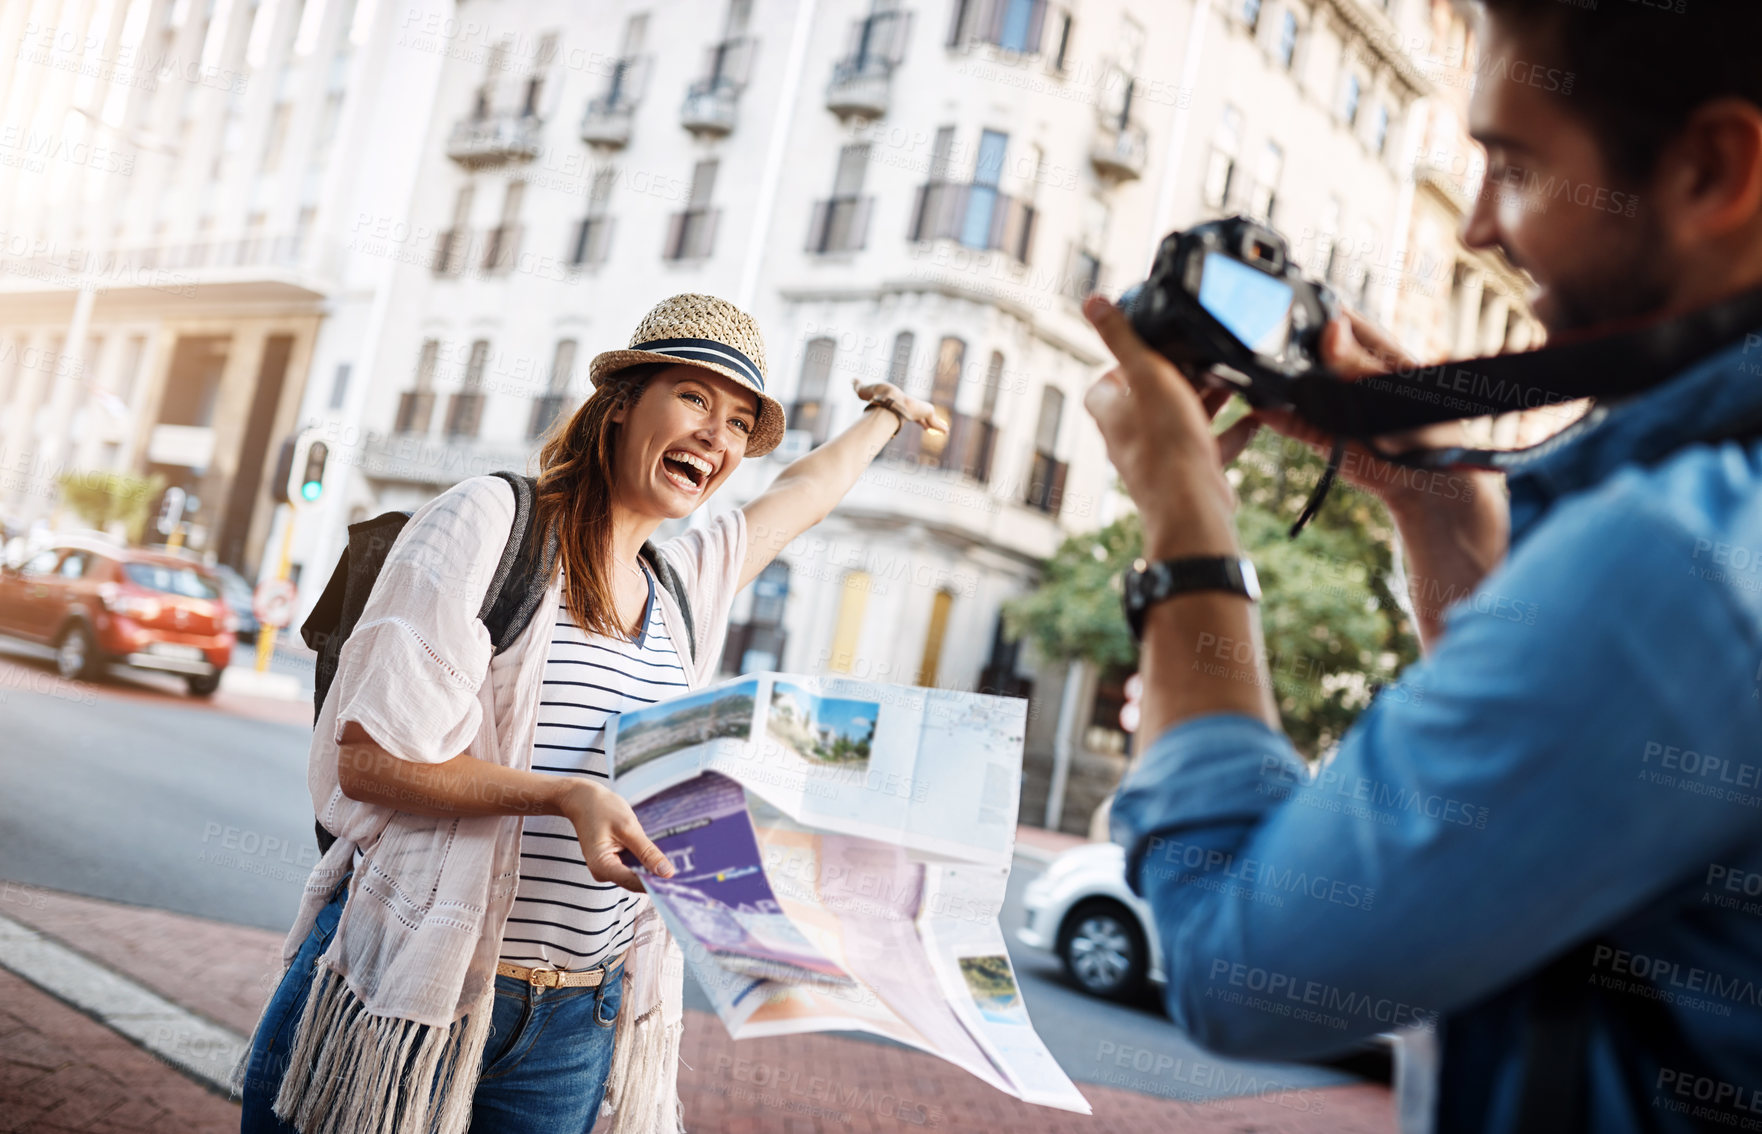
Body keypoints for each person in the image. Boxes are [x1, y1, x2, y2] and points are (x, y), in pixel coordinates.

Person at [1088, 3, 1762, 1132]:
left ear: (1711, 167)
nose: (1480, 231)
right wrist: (1443, 513)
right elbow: (1557, 804)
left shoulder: (1673, 560)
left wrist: (1184, 518)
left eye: (1512, 164)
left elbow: (1232, 968)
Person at [238, 293, 943, 1134]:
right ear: (620, 406)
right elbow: (371, 761)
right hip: (420, 989)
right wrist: (563, 796)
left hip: (579, 1022)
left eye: (739, 420)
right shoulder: (492, 522)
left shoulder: (683, 587)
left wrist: (887, 415)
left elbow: (804, 493)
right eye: (694, 398)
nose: (717, 435)